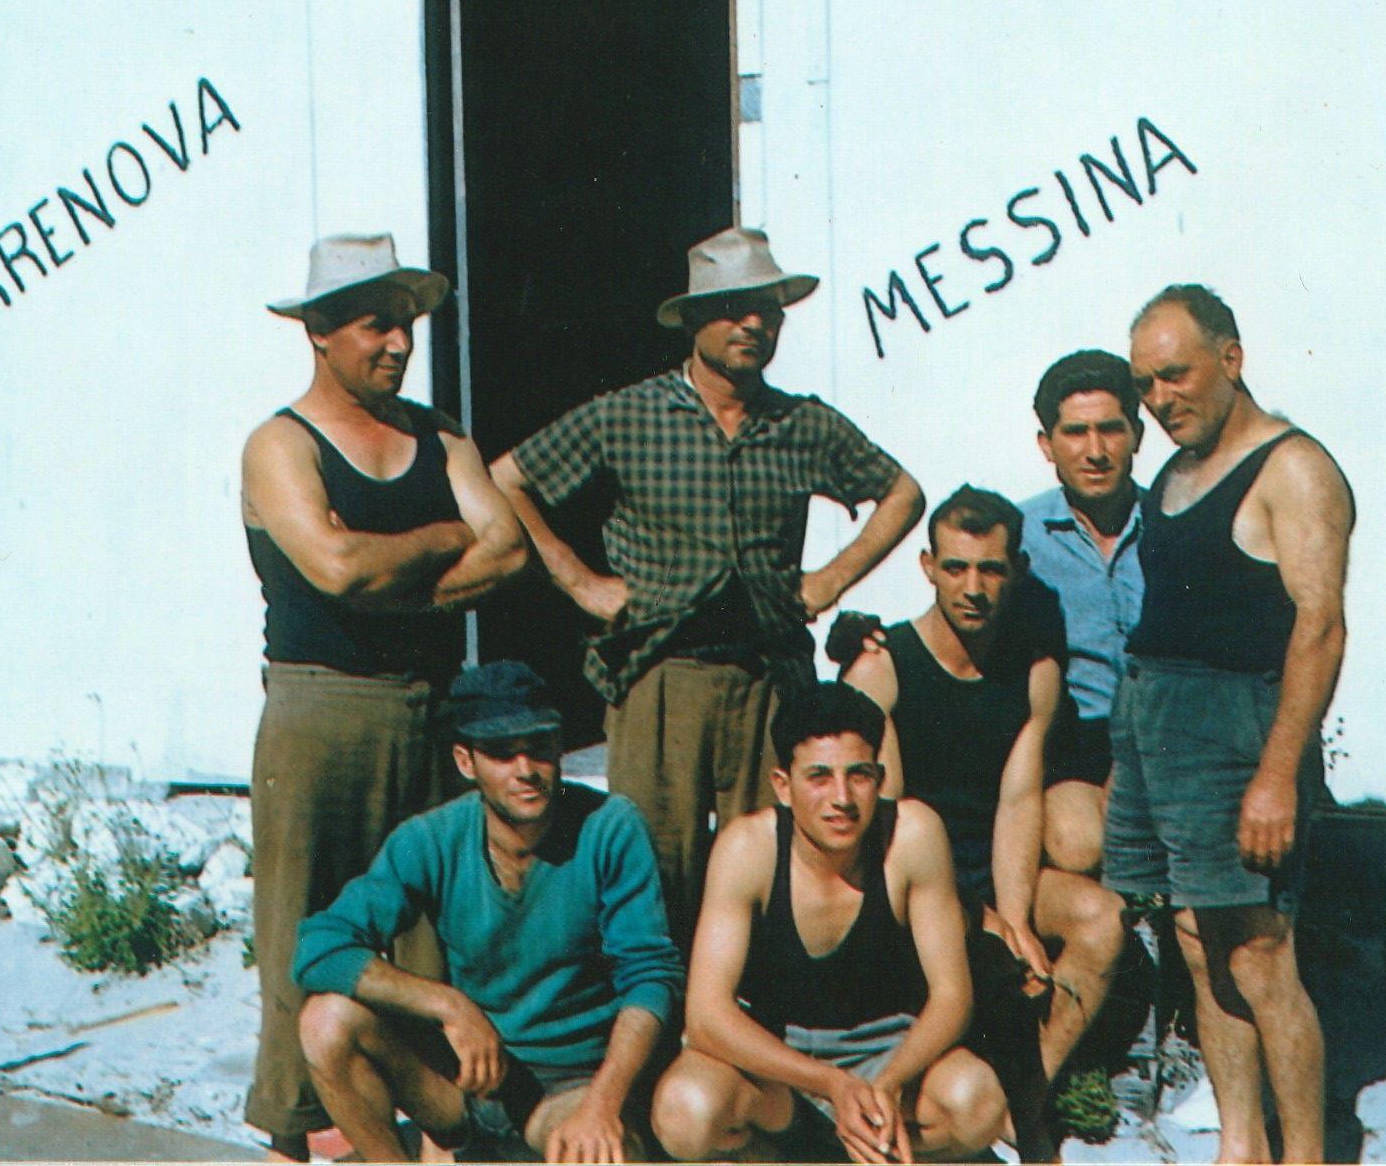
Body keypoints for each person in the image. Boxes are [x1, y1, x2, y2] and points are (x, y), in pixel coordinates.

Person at [490, 227, 924, 941]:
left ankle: (756, 1025)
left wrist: (830, 579)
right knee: (655, 870)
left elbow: (902, 491)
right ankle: (661, 1032)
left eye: (768, 310)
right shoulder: (627, 414)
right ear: (692, 320)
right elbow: (508, 479)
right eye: (732, 309)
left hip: (766, 675)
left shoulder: (800, 422)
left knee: (773, 858)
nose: (753, 324)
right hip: (662, 674)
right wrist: (580, 582)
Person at [241, 233, 529, 1159]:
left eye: (405, 324)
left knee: (426, 923)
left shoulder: (438, 435)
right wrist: (446, 535)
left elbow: (510, 549)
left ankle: (427, 1116)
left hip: (427, 703)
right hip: (319, 708)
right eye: (377, 325)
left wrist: (390, 577)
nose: (400, 343)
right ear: (320, 332)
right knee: (303, 918)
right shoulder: (281, 445)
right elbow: (330, 569)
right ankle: (295, 1129)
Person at [1113, 283, 1354, 1165]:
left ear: (1231, 358)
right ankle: (1240, 1146)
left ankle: (1306, 1156)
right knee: (1195, 940)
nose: (1160, 400)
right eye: (1145, 385)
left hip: (1238, 734)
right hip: (1159, 726)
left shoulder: (1293, 468)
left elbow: (1319, 626)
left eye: (1175, 376)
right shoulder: (1176, 472)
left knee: (1258, 956)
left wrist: (1276, 774)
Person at [296, 662, 683, 1164]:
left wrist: (602, 1104)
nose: (525, 769)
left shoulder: (610, 827)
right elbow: (318, 946)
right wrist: (448, 1006)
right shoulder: (432, 838)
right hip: (469, 1077)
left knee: (601, 1155)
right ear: (465, 761)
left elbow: (651, 976)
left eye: (540, 747)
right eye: (501, 753)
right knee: (325, 1021)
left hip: (570, 1086)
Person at [842, 487, 1125, 1092]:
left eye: (991, 569)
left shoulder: (1034, 672)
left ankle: (1025, 1094)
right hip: (912, 883)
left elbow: (1019, 801)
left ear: (1017, 572)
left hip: (995, 873)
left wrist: (1017, 918)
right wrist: (985, 919)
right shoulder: (883, 668)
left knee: (1103, 919)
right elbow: (890, 830)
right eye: (956, 568)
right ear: (928, 569)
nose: (973, 588)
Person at [649, 683, 1004, 1164]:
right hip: (776, 1070)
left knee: (977, 1102)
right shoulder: (748, 848)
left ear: (879, 777)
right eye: (819, 776)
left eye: (858, 775)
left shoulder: (912, 835)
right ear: (782, 785)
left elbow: (952, 998)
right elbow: (708, 1017)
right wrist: (831, 1084)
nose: (842, 798)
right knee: (684, 1112)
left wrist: (884, 1087)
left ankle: (867, 1146)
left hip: (887, 1057)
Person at [1018, 350, 1147, 877]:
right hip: (1074, 741)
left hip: (1162, 734)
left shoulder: (1174, 521)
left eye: (1110, 430)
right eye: (1075, 433)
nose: (1095, 452)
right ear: (1047, 445)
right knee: (1078, 843)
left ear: (1136, 434)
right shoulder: (1021, 533)